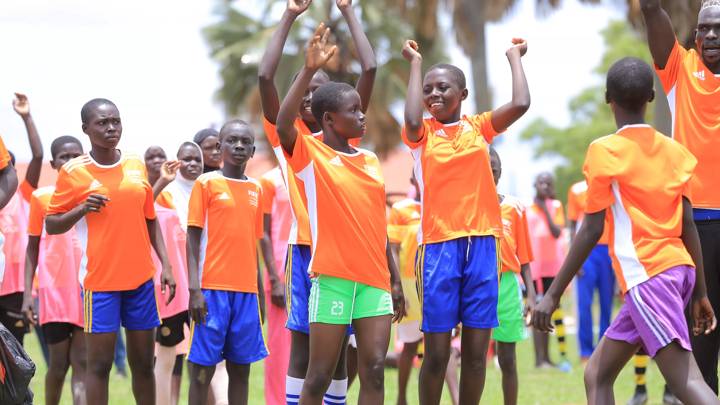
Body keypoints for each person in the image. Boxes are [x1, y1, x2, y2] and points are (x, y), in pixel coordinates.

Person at [532, 57, 720, 405]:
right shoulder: (676, 152)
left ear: (608, 99)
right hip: (675, 272)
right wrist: (700, 292)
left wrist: (552, 294)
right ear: (651, 96)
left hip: (649, 276)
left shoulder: (604, 151)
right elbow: (687, 224)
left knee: (687, 381)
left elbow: (591, 229)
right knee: (597, 374)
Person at [276, 24, 404, 405]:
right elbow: (284, 123)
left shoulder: (368, 159)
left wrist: (394, 278)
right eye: (354, 111)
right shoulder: (310, 155)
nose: (363, 117)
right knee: (317, 376)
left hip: (374, 281)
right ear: (329, 119)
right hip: (332, 278)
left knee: (376, 371)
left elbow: (376, 223)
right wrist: (308, 70)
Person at [401, 33, 529, 404]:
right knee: (437, 354)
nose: (434, 95)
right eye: (428, 90)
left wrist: (514, 56)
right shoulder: (422, 135)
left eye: (443, 88)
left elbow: (521, 102)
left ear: (464, 94)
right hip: (439, 248)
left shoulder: (479, 127)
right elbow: (411, 118)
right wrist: (415, 65)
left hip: (485, 247)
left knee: (476, 356)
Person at [258, 0, 375, 403]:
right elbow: (264, 75)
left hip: (352, 255)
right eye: (305, 92)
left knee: (343, 351)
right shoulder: (291, 142)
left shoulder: (347, 140)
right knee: (305, 348)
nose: (310, 98)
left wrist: (348, 10)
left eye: (318, 92)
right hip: (306, 251)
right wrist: (290, 16)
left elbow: (371, 70)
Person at [45, 98, 176, 405]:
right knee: (100, 366)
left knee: (144, 364)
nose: (111, 128)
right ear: (86, 129)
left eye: (115, 121)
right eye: (102, 123)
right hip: (100, 283)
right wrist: (81, 209)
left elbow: (150, 219)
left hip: (141, 281)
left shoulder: (134, 164)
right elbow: (51, 225)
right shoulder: (73, 172)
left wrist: (166, 266)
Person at [639, 0, 720, 393]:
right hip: (695, 226)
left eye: (718, 29)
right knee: (700, 339)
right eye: (704, 29)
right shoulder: (680, 70)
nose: (710, 36)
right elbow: (652, 10)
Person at [186, 120, 268, 405]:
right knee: (201, 371)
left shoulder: (257, 189)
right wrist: (194, 290)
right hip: (211, 291)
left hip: (246, 294)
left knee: (241, 370)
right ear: (219, 147)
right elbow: (192, 239)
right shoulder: (206, 183)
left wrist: (259, 295)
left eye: (245, 142)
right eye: (232, 140)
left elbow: (253, 244)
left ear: (253, 150)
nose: (239, 146)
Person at [22, 135, 86, 405]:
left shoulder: (94, 195)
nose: (70, 162)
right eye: (64, 157)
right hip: (54, 293)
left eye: (76, 156)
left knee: (82, 363)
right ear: (54, 162)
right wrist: (28, 295)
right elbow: (32, 249)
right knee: (58, 365)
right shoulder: (42, 197)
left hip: (87, 289)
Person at [152, 142, 203, 405]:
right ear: (178, 162)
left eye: (197, 159)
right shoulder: (167, 193)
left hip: (207, 286)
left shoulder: (210, 190)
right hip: (175, 289)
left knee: (210, 359)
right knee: (167, 358)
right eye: (187, 159)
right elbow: (141, 207)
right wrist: (161, 181)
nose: (193, 164)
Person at [489, 147, 537, 405]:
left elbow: (525, 257)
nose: (489, 171)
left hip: (507, 285)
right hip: (477, 284)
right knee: (474, 357)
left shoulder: (515, 207)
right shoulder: (467, 205)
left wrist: (531, 294)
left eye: (493, 168)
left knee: (507, 358)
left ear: (500, 172)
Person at [567, 180, 615, 362]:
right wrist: (575, 258)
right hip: (587, 251)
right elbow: (572, 226)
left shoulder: (611, 185)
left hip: (608, 249)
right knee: (584, 303)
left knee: (606, 302)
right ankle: (586, 351)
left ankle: (604, 349)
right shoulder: (576, 189)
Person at [527, 172, 570, 372]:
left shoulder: (556, 207)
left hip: (554, 268)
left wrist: (545, 207)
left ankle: (548, 357)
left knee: (550, 311)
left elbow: (556, 232)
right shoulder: (528, 209)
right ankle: (539, 358)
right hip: (536, 270)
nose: (544, 185)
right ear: (535, 185)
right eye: (540, 182)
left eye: (548, 183)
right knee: (537, 312)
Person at [259, 165, 292, 405]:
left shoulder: (313, 171)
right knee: (280, 349)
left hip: (313, 270)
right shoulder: (269, 180)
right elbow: (263, 231)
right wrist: (273, 277)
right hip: (280, 272)